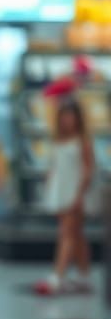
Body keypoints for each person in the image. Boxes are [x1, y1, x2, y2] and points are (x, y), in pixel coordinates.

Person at [34, 99, 97, 295]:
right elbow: (55, 166)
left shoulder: (83, 141)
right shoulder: (58, 140)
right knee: (77, 235)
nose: (67, 121)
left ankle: (57, 277)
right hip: (61, 191)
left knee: (67, 234)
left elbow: (88, 170)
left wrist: (80, 194)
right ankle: (84, 276)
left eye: (71, 116)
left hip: (76, 192)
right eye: (64, 116)